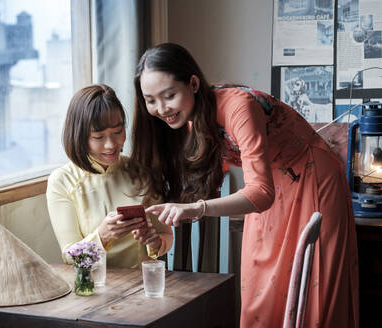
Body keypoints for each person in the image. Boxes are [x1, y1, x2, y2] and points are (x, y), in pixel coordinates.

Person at [129, 43, 359, 327]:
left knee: (310, 283)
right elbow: (204, 188)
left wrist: (195, 209)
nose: (161, 109)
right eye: (150, 100)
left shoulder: (239, 107)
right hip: (269, 183)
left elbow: (260, 194)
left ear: (193, 83)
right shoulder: (191, 120)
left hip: (311, 176)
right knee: (260, 285)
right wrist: (163, 222)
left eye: (169, 96)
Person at [46, 84, 172, 268]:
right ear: (79, 137)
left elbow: (167, 235)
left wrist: (155, 243)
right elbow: (69, 255)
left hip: (141, 285)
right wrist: (102, 236)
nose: (111, 144)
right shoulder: (62, 181)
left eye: (118, 132)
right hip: (95, 286)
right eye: (98, 137)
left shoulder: (141, 171)